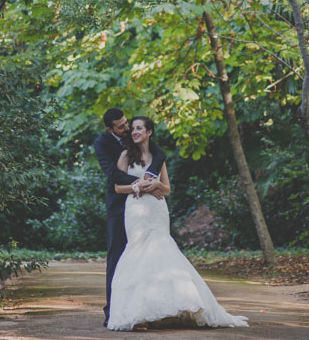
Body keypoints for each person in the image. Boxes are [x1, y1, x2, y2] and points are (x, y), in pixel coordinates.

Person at [106, 116, 248, 331]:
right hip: (136, 209)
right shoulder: (126, 155)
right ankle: (139, 313)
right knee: (138, 251)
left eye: (138, 128)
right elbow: (117, 187)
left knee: (161, 252)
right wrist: (138, 187)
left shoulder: (158, 157)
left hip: (157, 210)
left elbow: (167, 188)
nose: (134, 132)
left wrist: (156, 184)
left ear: (149, 132)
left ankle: (160, 311)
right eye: (132, 128)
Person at [93, 108, 166, 327]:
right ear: (110, 129)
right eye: (121, 126)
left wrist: (153, 180)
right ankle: (113, 311)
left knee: (147, 256)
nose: (127, 128)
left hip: (147, 208)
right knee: (116, 258)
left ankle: (148, 308)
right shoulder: (102, 144)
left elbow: (160, 154)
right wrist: (140, 185)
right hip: (119, 206)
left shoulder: (137, 135)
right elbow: (113, 174)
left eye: (127, 124)